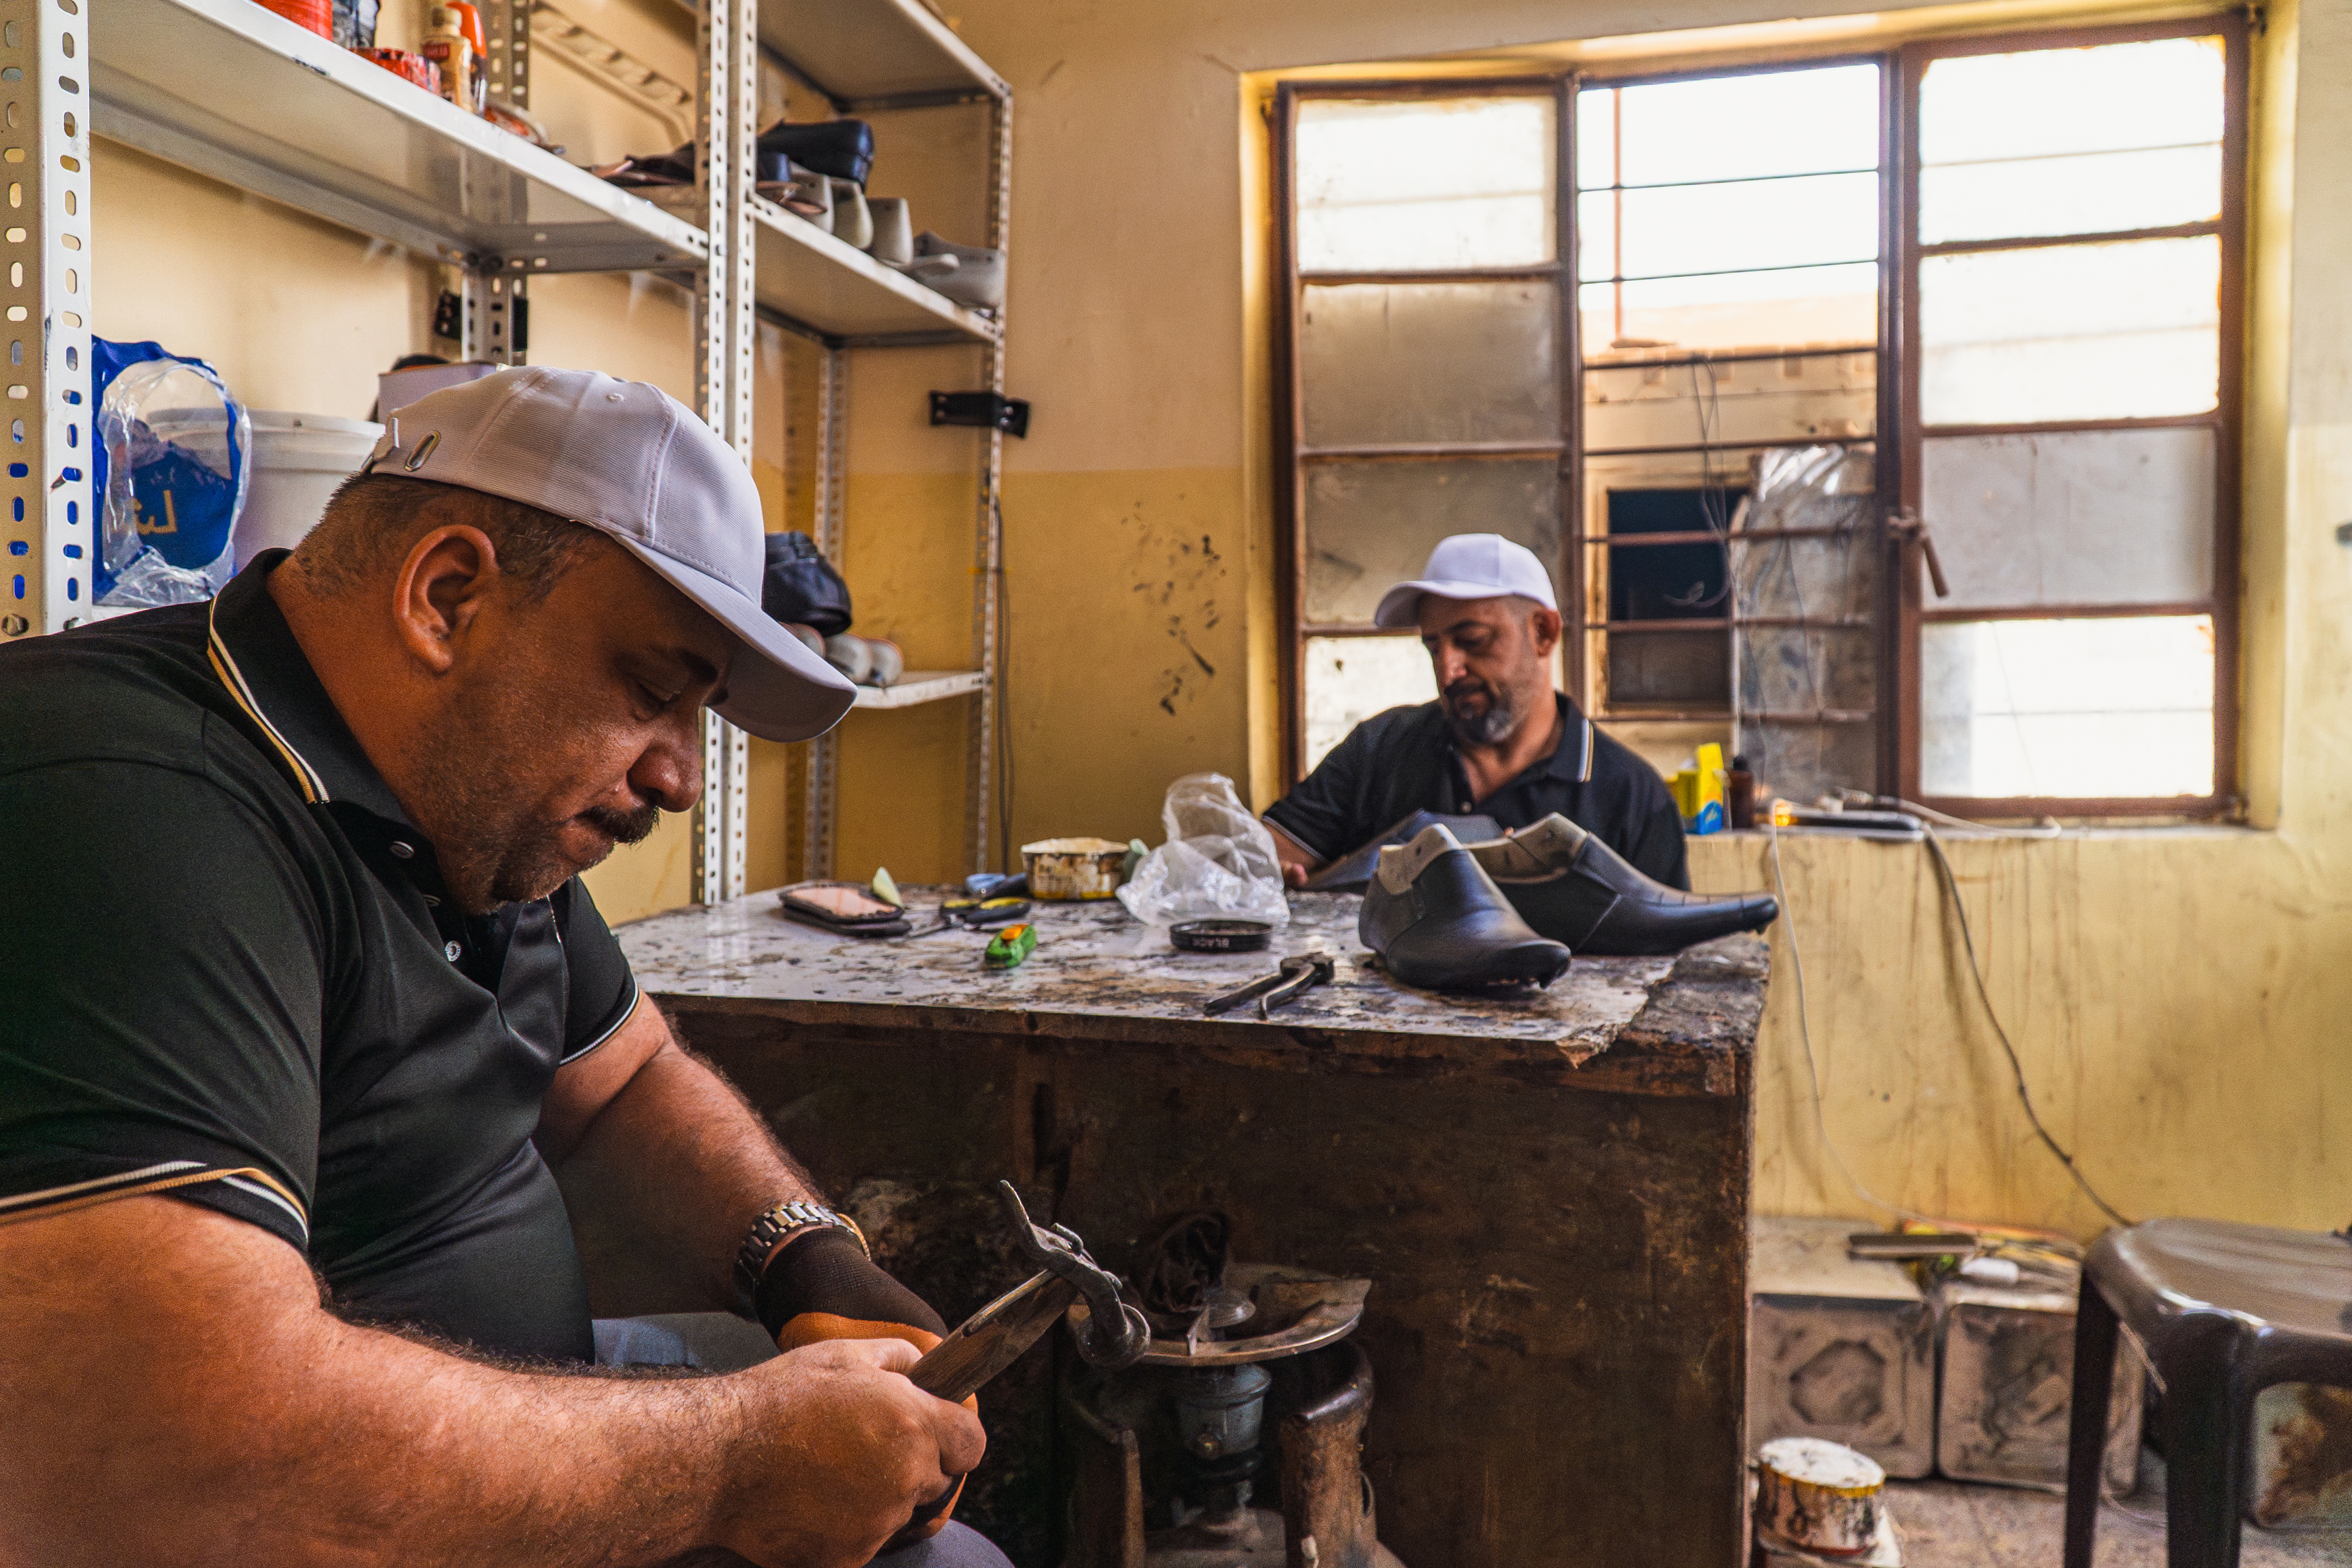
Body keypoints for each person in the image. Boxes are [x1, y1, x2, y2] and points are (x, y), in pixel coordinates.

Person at [0, 367, 1001, 1568]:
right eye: (650, 688)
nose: (680, 774)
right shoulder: (131, 806)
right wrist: (734, 1461)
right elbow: (153, 1461)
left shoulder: (472, 811)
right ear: (448, 596)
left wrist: (804, 1255)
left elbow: (623, 1080)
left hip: (486, 1433)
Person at [1265, 533, 1689, 889]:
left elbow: (1670, 959)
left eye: (1472, 640)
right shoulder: (1379, 750)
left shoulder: (1632, 796)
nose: (1448, 672)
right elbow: (1260, 861)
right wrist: (1277, 881)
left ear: (1543, 633)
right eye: (1433, 648)